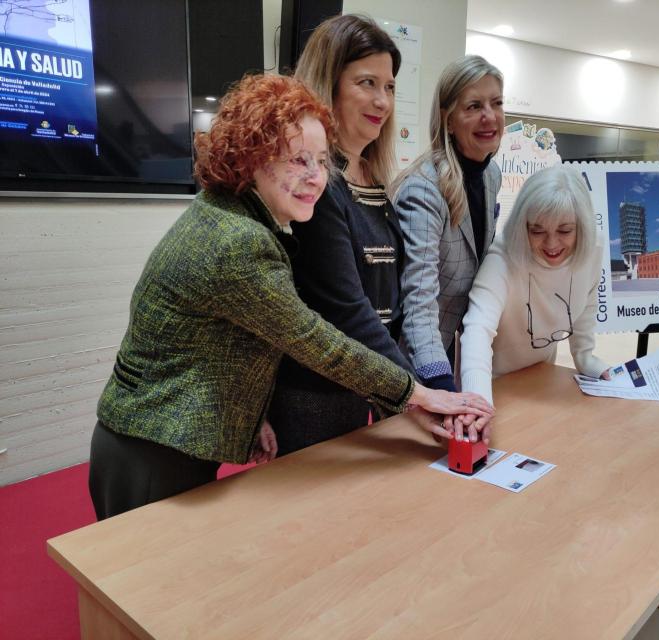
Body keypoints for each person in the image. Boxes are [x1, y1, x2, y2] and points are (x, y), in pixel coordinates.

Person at [88, 74, 492, 520]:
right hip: (151, 449)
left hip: (159, 436)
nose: (316, 178)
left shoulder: (231, 215)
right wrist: (420, 394)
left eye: (322, 161)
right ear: (251, 158)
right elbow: (319, 343)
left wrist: (253, 414)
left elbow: (214, 342)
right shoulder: (240, 242)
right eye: (298, 161)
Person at [269, 15, 421, 454]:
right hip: (316, 394)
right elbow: (349, 310)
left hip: (369, 381)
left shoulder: (373, 174)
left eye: (389, 86)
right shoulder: (316, 184)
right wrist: (419, 395)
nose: (382, 100)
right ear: (328, 85)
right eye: (367, 83)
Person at [391, 55, 505, 399]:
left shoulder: (491, 176)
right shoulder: (424, 190)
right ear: (449, 120)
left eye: (496, 103)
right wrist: (441, 384)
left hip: (455, 348)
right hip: (412, 361)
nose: (489, 116)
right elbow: (419, 302)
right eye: (473, 106)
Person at [459, 164, 610, 410]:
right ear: (523, 225)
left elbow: (587, 304)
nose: (552, 244)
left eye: (565, 230)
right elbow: (477, 327)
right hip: (496, 385)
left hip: (541, 376)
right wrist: (477, 401)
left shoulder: (593, 248)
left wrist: (586, 358)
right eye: (537, 231)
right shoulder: (503, 256)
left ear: (581, 227)